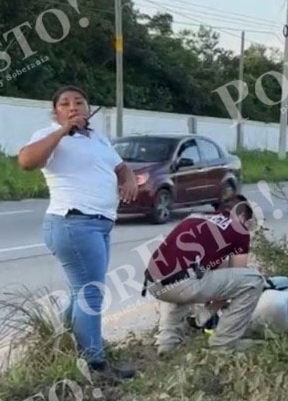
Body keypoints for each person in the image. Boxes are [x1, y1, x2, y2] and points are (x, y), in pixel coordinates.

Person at [18, 85, 138, 381]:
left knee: (81, 294)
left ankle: (63, 347)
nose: (73, 107)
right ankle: (95, 365)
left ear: (88, 108)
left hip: (99, 225)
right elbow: (26, 161)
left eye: (79, 102)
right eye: (65, 104)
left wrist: (129, 179)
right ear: (56, 112)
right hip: (73, 223)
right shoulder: (49, 136)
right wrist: (62, 132)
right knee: (91, 295)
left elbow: (120, 166)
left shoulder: (97, 138)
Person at [144, 194, 268, 354]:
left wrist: (208, 309)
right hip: (184, 284)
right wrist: (213, 309)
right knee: (253, 281)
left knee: (179, 278)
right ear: (243, 216)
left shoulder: (193, 218)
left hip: (153, 282)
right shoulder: (239, 229)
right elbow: (239, 273)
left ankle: (167, 344)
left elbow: (215, 272)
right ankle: (223, 344)